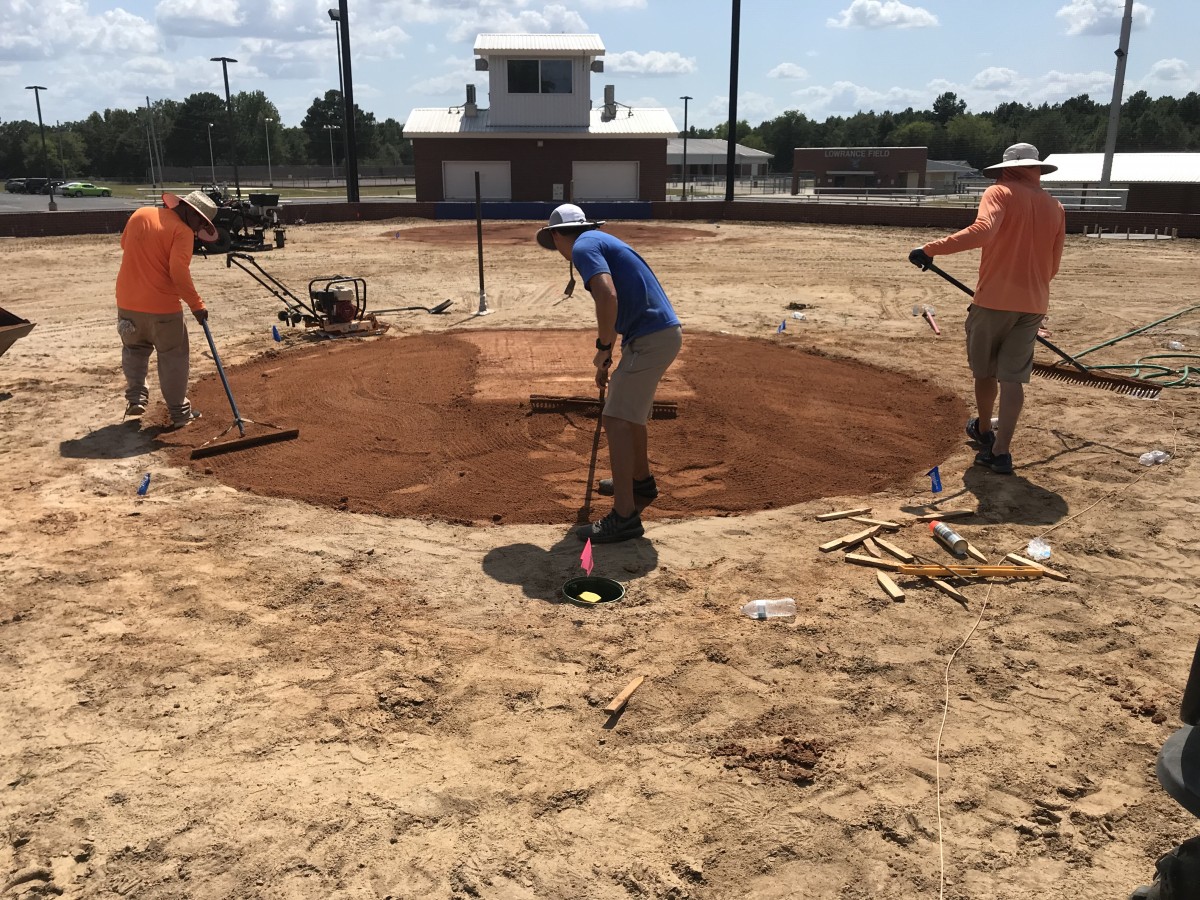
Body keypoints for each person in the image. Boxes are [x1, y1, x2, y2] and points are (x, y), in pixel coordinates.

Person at [909, 142, 1065, 475]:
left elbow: (983, 231)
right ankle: (1001, 451)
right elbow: (1053, 266)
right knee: (1013, 380)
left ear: (1005, 167)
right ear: (1036, 169)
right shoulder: (1055, 206)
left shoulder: (999, 192)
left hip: (994, 301)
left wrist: (929, 249)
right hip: (1034, 304)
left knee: (985, 372)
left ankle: (983, 430)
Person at [536, 203, 682, 543]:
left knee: (616, 419)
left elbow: (606, 294)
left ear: (558, 235)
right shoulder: (600, 240)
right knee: (631, 417)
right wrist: (612, 350)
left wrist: (604, 347)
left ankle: (625, 517)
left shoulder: (585, 246)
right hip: (656, 334)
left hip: (649, 338)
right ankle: (639, 481)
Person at [115, 190, 219, 427]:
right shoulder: (182, 232)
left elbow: (125, 245)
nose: (199, 228)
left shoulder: (140, 214)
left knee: (134, 350)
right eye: (201, 221)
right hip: (162, 308)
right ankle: (179, 413)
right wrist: (197, 305)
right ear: (189, 210)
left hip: (127, 303)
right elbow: (178, 272)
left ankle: (136, 398)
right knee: (173, 356)